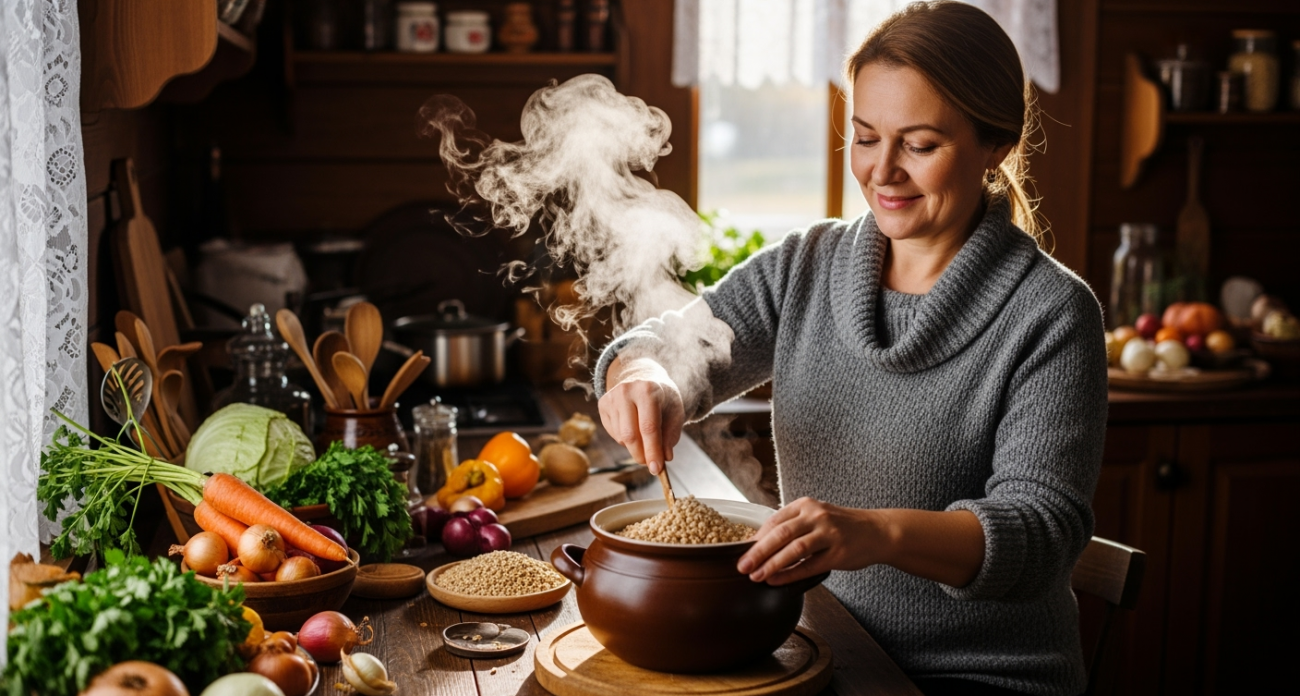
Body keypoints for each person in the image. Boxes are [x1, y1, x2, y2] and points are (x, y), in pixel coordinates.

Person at [593, 2, 1108, 695]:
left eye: (920, 144)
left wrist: (876, 535)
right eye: (866, 137)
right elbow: (666, 343)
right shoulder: (807, 265)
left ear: (997, 147)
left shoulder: (1051, 313)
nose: (884, 172)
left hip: (981, 676)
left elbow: (1041, 534)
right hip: (820, 650)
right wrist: (649, 374)